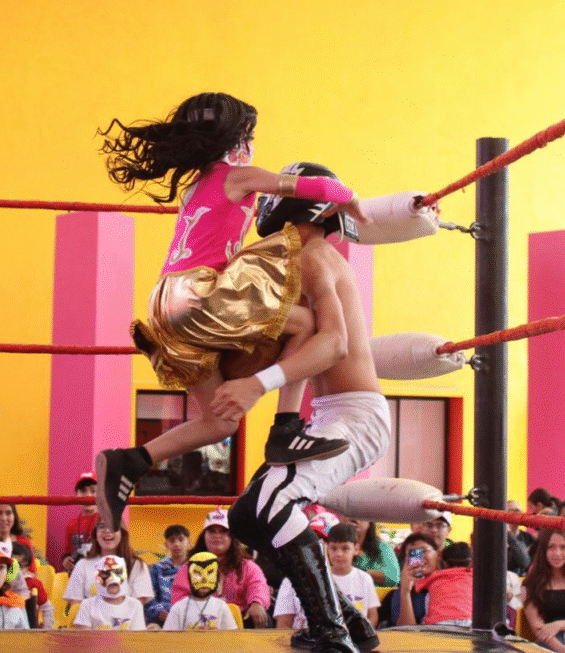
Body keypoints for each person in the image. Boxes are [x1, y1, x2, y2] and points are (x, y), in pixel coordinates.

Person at [95, 93, 369, 532]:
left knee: (220, 422)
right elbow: (312, 188)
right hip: (200, 294)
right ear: (237, 138)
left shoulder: (194, 186)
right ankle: (285, 427)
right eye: (250, 136)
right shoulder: (236, 176)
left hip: (165, 303)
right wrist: (350, 197)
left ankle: (130, 461)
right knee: (307, 323)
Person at [217, 161, 394, 653]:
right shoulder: (307, 257)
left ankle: (330, 633)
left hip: (354, 415)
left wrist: (257, 383)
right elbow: (303, 344)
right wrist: (286, 423)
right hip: (334, 413)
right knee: (246, 516)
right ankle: (349, 621)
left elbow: (333, 345)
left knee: (274, 502)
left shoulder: (314, 256)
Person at [170, 507, 270, 628]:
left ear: (232, 537)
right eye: (212, 531)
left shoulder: (247, 566)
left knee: (263, 617)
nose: (217, 536)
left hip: (241, 621)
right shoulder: (190, 566)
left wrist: (257, 603)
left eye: (223, 531)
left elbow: (258, 585)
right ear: (204, 536)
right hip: (199, 622)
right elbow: (179, 597)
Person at [275, 523, 379, 631]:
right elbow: (283, 624)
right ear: (326, 548)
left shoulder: (365, 579)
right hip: (307, 638)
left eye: (345, 549)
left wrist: (360, 634)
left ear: (356, 549)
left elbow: (373, 616)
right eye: (333, 548)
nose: (339, 554)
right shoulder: (291, 581)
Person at [64, 520, 152, 606]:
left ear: (122, 533)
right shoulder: (82, 565)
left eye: (113, 526)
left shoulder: (137, 565)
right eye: (102, 526)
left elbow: (138, 606)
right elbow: (75, 604)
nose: (107, 530)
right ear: (95, 534)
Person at [164, 551, 237, 631]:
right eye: (197, 574)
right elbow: (167, 636)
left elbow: (233, 635)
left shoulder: (221, 606)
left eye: (210, 573)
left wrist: (217, 634)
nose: (204, 580)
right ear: (189, 577)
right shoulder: (179, 608)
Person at [73, 555, 146, 630]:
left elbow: (138, 636)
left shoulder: (135, 605)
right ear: (98, 577)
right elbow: (84, 635)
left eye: (118, 572)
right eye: (105, 573)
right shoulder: (87, 605)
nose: (112, 578)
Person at [146, 523, 191, 627]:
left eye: (181, 539)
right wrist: (159, 612)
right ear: (166, 545)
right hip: (162, 621)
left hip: (189, 619)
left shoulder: (195, 567)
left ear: (189, 542)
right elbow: (149, 598)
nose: (177, 544)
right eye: (172, 541)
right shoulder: (156, 568)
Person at [394, 533, 441, 626]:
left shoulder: (451, 584)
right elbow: (405, 631)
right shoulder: (400, 594)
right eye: (412, 554)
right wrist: (405, 592)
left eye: (424, 550)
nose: (419, 557)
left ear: (438, 554)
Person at [62, 472, 100, 573]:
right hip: (77, 574)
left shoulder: (106, 520)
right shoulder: (72, 524)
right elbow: (67, 553)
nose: (88, 495)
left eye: (93, 491)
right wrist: (66, 561)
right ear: (76, 495)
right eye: (83, 491)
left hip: (99, 574)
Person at [11, 541, 54, 628]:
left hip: (28, 628)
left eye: (21, 565)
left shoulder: (33, 583)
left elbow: (47, 608)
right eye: (13, 566)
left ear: (28, 565)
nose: (18, 571)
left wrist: (45, 629)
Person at [0, 503, 39, 573]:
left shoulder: (23, 542)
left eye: (8, 513)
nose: (4, 518)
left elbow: (32, 573)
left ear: (14, 517)